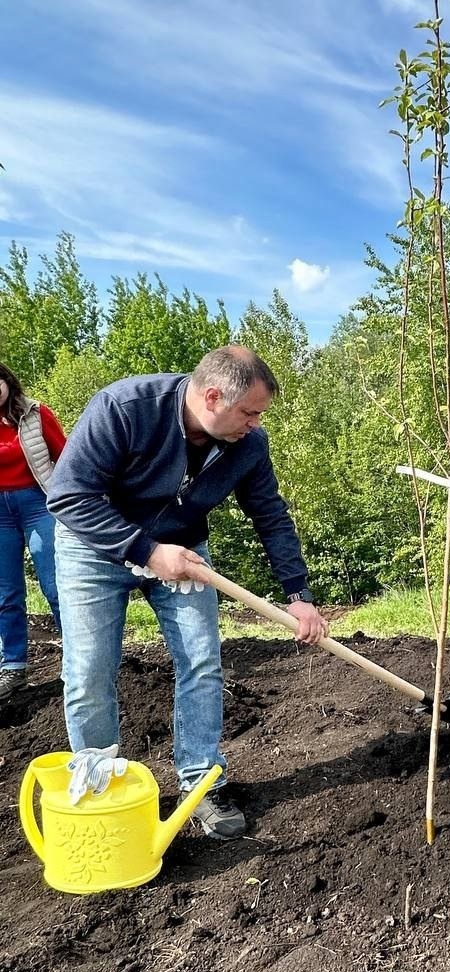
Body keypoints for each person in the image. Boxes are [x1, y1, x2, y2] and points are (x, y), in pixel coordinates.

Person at [46, 346, 329, 840]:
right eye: (249, 412)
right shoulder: (125, 408)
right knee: (89, 669)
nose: (255, 424)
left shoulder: (248, 444)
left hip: (182, 548)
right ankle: (99, 789)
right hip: (94, 548)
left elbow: (270, 515)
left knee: (201, 660)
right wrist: (146, 551)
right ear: (213, 397)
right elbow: (69, 495)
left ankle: (201, 783)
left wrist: (298, 593)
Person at [0, 362, 66, 699]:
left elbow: (67, 457)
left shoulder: (35, 414)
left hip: (38, 503)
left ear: (6, 381)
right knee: (6, 593)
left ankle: (79, 660)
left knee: (55, 584)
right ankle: (13, 667)